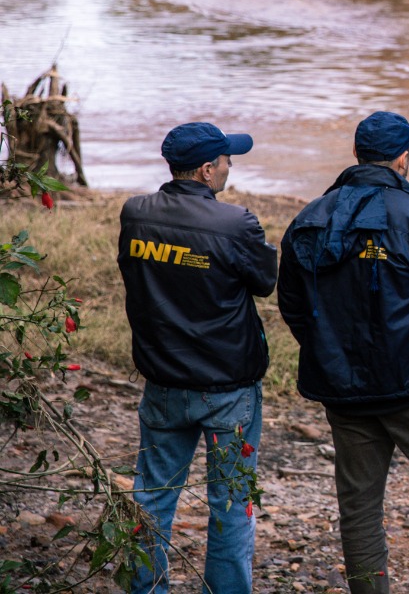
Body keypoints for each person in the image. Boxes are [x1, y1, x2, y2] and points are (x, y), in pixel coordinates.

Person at [278, 111, 409, 594]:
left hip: (343, 390)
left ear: (357, 155)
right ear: (403, 158)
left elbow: (293, 306)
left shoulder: (309, 218)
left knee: (359, 504)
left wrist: (331, 351)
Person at [118, 122, 274, 594]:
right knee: (231, 504)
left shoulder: (136, 215)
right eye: (227, 160)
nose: (230, 167)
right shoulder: (235, 223)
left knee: (151, 500)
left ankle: (145, 590)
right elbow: (265, 281)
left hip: (163, 381)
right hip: (228, 389)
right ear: (207, 171)